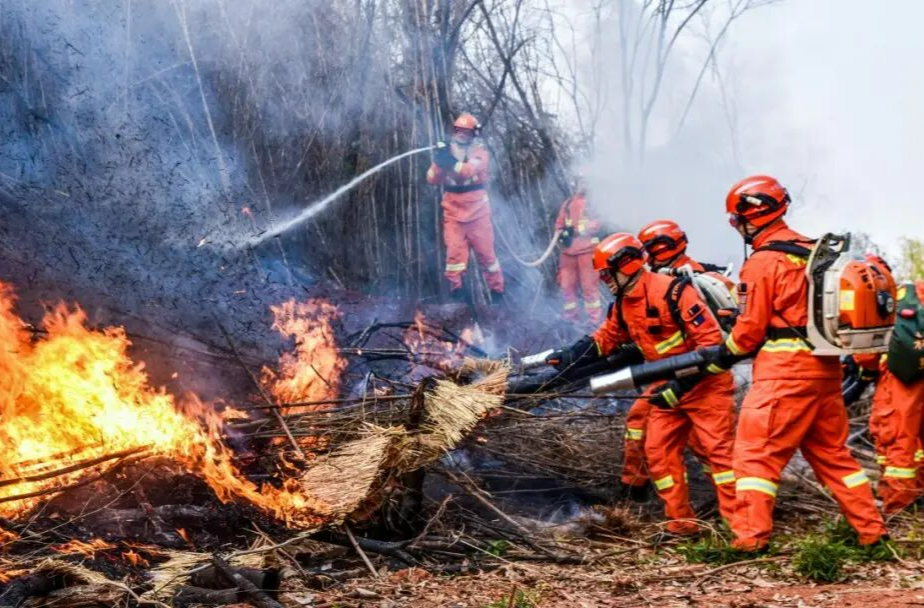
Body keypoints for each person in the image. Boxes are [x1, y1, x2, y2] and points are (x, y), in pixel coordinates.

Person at [701, 175, 887, 552]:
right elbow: (794, 311)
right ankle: (873, 532)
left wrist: (724, 352)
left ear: (752, 216)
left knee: (754, 457)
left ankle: (749, 540)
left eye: (738, 220)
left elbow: (750, 333)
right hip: (825, 368)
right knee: (834, 456)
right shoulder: (813, 253)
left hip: (783, 374)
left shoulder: (763, 262)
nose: (739, 227)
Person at [554, 233, 737, 536]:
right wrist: (571, 353)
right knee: (658, 453)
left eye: (606, 273)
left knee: (718, 455)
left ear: (626, 265)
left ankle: (740, 528)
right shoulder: (625, 305)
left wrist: (681, 385)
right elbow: (606, 339)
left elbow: (712, 344)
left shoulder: (675, 292)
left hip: (705, 387)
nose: (603, 280)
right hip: (665, 389)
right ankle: (681, 526)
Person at [617, 220, 736, 500]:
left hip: (699, 377)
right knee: (644, 429)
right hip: (667, 375)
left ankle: (739, 511)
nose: (653, 256)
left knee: (709, 448)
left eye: (656, 249)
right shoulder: (652, 284)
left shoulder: (689, 283)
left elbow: (711, 342)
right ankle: (635, 486)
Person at [848, 258, 924, 514]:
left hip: (898, 379)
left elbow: (866, 353)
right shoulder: (917, 290)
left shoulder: (874, 299)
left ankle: (899, 504)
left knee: (896, 442)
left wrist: (863, 372)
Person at [426, 113, 504, 303]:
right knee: (454, 256)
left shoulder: (479, 153)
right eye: (458, 131)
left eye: (466, 132)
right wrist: (439, 161)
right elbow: (431, 179)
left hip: (478, 213)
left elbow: (468, 171)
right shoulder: (446, 155)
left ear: (473, 134)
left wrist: (450, 161)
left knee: (487, 256)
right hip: (453, 212)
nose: (461, 135)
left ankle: (497, 293)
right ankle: (458, 294)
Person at [555, 178, 603, 324]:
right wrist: (561, 233)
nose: (582, 185)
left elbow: (598, 222)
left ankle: (594, 321)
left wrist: (578, 230)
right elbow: (559, 223)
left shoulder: (593, 203)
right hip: (568, 252)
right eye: (580, 182)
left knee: (590, 287)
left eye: (585, 181)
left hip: (587, 251)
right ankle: (571, 319)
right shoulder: (568, 203)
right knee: (567, 286)